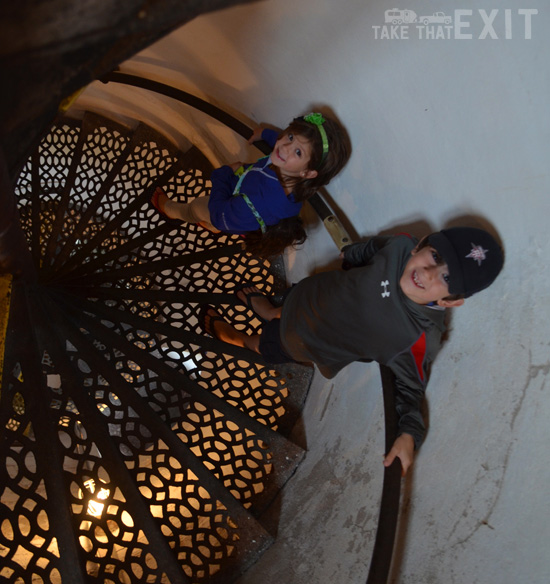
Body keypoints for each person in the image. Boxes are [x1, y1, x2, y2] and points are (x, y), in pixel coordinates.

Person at [201, 226, 504, 474]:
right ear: (420, 245)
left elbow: (410, 390)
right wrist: (352, 254)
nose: (427, 273)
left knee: (259, 344)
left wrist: (409, 434)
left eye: (446, 278)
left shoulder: (416, 336)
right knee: (284, 307)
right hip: (313, 293)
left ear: (450, 301)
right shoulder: (401, 246)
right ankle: (267, 310)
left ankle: (230, 336)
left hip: (302, 340)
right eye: (434, 255)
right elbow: (373, 249)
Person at [151, 112, 350, 257]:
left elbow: (221, 216)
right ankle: (210, 226)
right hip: (242, 199)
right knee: (214, 220)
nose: (285, 147)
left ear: (308, 172)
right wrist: (266, 134)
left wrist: (223, 174)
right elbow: (283, 146)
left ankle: (169, 209)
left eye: (298, 152)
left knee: (196, 208)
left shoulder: (260, 201)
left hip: (229, 211)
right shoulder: (293, 173)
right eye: (290, 137)